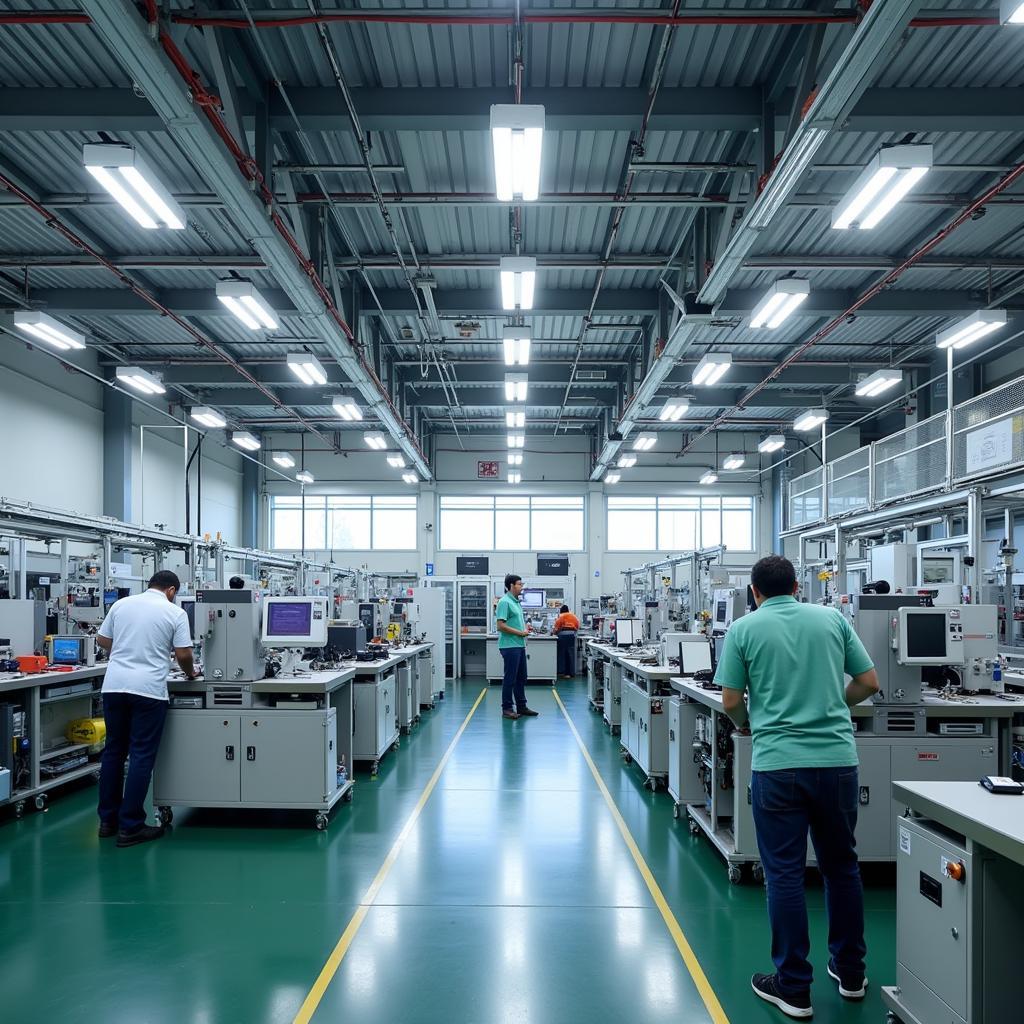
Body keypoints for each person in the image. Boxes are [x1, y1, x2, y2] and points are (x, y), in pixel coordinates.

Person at [715, 555, 879, 1020]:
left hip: (778, 766)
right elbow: (869, 682)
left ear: (754, 591)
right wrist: (834, 705)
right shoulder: (830, 619)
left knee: (784, 874)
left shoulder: (744, 629)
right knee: (842, 868)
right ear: (796, 586)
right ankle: (850, 974)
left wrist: (750, 724)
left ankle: (793, 987)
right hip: (837, 763)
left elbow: (730, 700)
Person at [95, 570, 198, 847]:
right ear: (172, 591)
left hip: (114, 687)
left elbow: (102, 640)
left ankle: (108, 821)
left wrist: (128, 648)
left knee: (114, 752)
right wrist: (190, 674)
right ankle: (131, 826)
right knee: (141, 755)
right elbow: (184, 654)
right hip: (148, 691)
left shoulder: (121, 604)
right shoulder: (174, 613)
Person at [494, 573, 538, 720]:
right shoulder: (504, 602)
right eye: (519, 584)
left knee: (521, 677)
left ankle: (521, 706)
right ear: (511, 586)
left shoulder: (516, 602)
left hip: (519, 644)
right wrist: (520, 633)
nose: (522, 586)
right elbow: (500, 626)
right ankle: (506, 708)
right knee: (510, 678)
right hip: (509, 646)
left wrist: (525, 629)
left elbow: (516, 622)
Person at [553, 604, 580, 679]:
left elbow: (556, 628)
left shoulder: (561, 616)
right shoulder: (574, 616)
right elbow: (577, 627)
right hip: (571, 636)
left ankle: (561, 672)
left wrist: (553, 633)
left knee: (561, 654)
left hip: (562, 636)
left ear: (561, 611)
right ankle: (570, 673)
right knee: (570, 654)